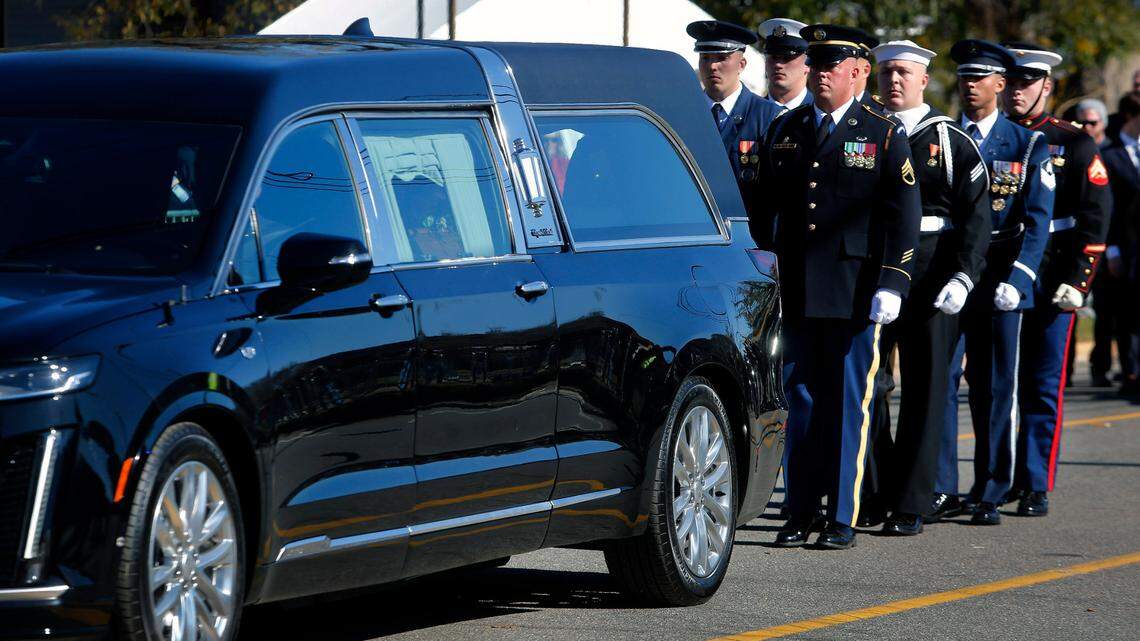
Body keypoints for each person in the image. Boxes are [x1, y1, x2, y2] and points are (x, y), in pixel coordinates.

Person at [749, 24, 921, 550]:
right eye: (815, 64)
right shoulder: (790, 128)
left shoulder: (884, 132)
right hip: (799, 288)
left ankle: (842, 515)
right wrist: (763, 264)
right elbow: (765, 207)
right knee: (797, 401)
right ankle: (799, 510)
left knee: (849, 403)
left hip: (854, 290)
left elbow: (903, 217)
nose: (820, 74)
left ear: (859, 72)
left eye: (831, 65)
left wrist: (894, 280)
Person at [861, 40, 992, 536]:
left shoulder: (952, 140)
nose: (894, 81)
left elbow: (977, 217)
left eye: (903, 73)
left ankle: (912, 502)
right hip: (877, 273)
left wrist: (964, 275)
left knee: (927, 390)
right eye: (887, 72)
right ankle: (872, 491)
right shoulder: (867, 134)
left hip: (934, 277)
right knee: (869, 387)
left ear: (923, 81)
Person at [932, 40, 1054, 526]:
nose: (969, 85)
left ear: (1001, 85)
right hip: (953, 273)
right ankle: (942, 486)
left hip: (1000, 275)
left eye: (979, 77)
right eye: (964, 76)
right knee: (942, 381)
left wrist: (1020, 279)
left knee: (995, 386)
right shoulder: (944, 137)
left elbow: (1039, 220)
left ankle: (990, 487)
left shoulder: (1025, 144)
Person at [1001, 43, 1111, 517]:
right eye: (1014, 81)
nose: (1019, 91)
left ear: (1046, 86)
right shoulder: (992, 136)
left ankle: (1035, 481)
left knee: (1043, 384)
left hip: (1053, 274)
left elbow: (1095, 217)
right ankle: (994, 478)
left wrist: (1079, 282)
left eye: (1029, 82)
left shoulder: (1072, 141)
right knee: (998, 383)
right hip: (1001, 272)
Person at [687, 20, 782, 215]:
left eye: (722, 57)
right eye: (705, 57)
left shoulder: (769, 117)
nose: (712, 66)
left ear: (741, 64)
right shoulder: (684, 113)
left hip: (749, 233)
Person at [1099, 91, 1140, 393]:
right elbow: (1107, 208)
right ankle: (1131, 372)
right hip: (1124, 247)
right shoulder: (1110, 155)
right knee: (1127, 314)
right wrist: (1111, 250)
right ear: (1129, 117)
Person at [758, 18, 813, 112]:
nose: (778, 64)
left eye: (787, 58)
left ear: (808, 63)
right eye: (773, 57)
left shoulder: (821, 113)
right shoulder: (750, 112)